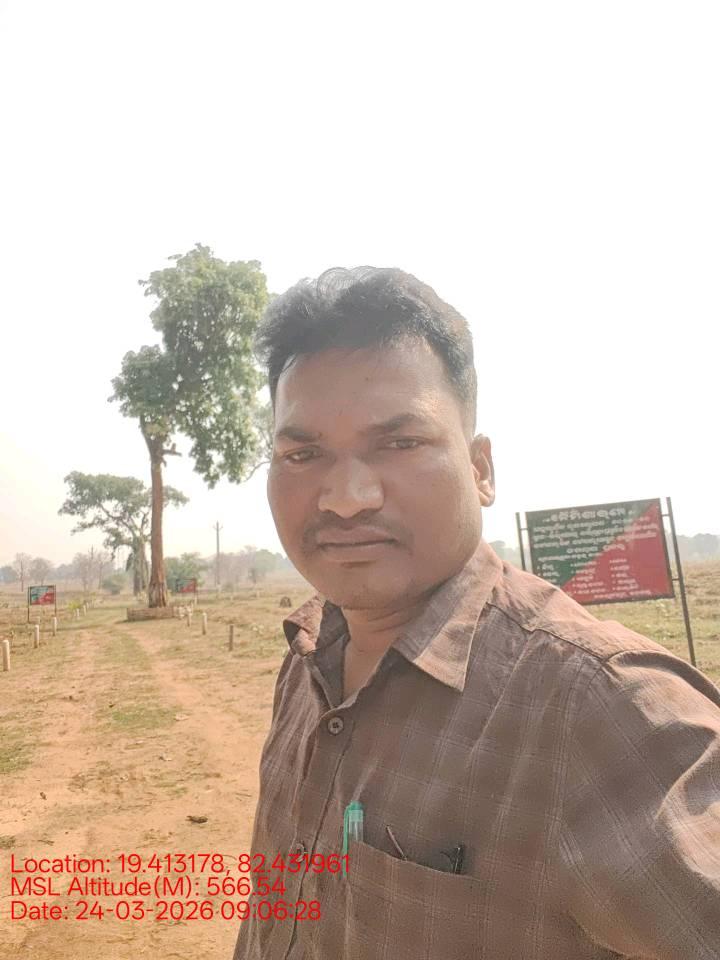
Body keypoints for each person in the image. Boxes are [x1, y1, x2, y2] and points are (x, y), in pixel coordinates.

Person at [232, 267, 720, 960]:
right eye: (303, 453)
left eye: (398, 444)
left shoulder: (599, 709)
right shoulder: (309, 655)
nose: (345, 497)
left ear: (481, 468)